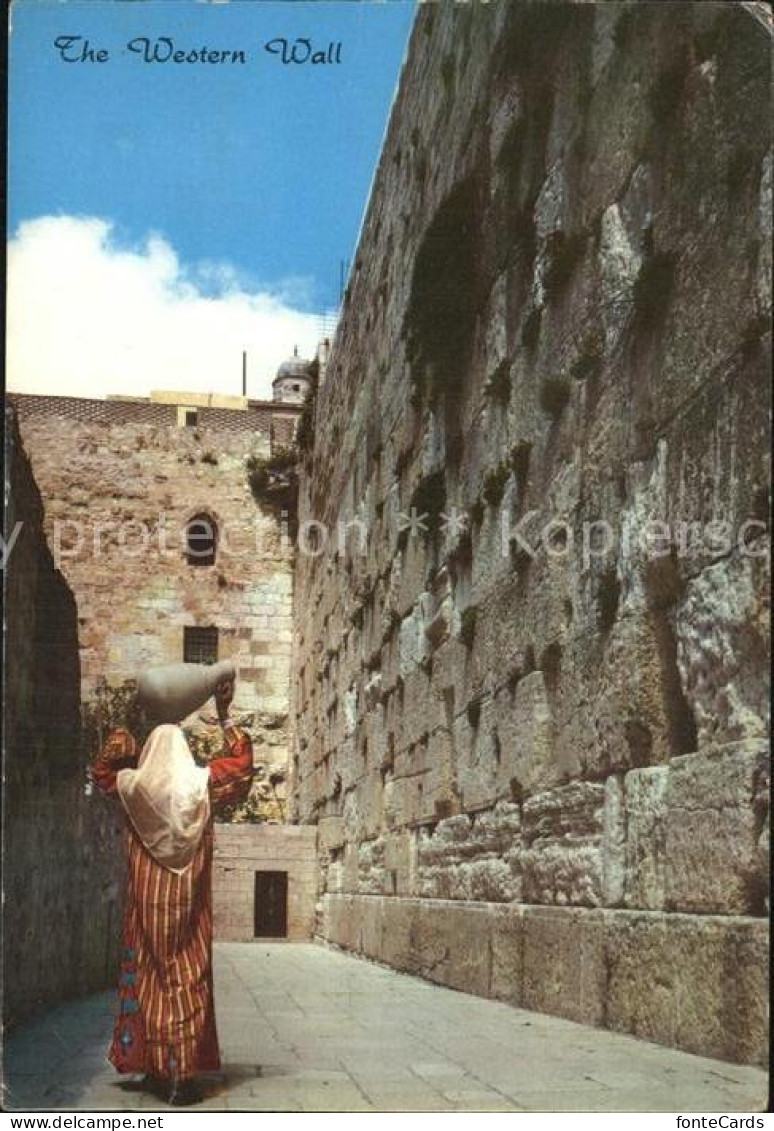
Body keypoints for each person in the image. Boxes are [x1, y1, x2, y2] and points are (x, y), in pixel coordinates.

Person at [91, 674, 253, 1106]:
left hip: (148, 903)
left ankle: (156, 1069)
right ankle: (181, 1075)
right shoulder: (202, 784)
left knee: (149, 972)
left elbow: (102, 772)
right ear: (182, 750)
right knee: (187, 975)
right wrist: (224, 718)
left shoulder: (133, 787)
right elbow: (242, 763)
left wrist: (122, 739)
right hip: (187, 902)